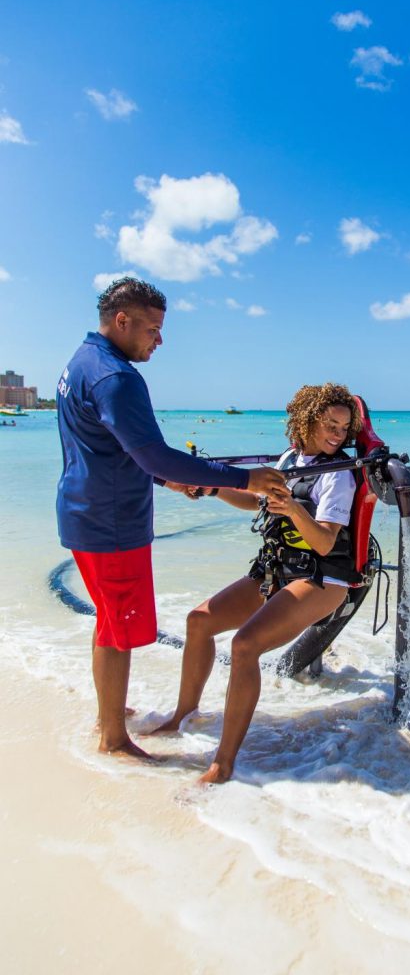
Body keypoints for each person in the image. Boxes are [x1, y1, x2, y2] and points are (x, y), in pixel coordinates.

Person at [56, 276, 285, 760]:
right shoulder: (116, 377)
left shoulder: (82, 361)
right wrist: (246, 480)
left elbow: (118, 450)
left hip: (85, 513)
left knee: (108, 624)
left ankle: (107, 716)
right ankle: (114, 741)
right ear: (123, 320)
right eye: (153, 329)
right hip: (112, 524)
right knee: (120, 633)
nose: (159, 340)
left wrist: (168, 480)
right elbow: (155, 455)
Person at [155, 383, 363, 783]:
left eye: (344, 428)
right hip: (277, 569)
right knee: (199, 621)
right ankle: (182, 715)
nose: (338, 435)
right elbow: (256, 502)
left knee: (244, 645)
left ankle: (223, 762)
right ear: (306, 420)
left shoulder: (338, 476)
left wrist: (293, 509)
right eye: (330, 424)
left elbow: (322, 541)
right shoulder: (291, 458)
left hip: (323, 577)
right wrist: (215, 489)